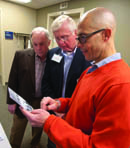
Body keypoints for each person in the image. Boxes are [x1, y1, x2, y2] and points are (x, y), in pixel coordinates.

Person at [20, 7, 130, 148]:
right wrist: (59, 104)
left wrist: (49, 122)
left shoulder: (120, 84)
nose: (78, 44)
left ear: (105, 35)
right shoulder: (92, 70)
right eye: (78, 38)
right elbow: (80, 103)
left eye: (83, 38)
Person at [41, 15, 91, 148]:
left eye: (65, 37)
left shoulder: (88, 56)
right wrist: (55, 106)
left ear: (75, 34)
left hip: (75, 115)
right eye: (57, 38)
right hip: (54, 110)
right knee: (52, 142)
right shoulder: (52, 54)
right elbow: (46, 82)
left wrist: (67, 110)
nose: (61, 42)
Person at [7, 27, 51, 148]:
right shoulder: (21, 55)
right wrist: (11, 101)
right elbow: (12, 79)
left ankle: (35, 144)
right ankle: (14, 145)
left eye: (41, 44)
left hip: (41, 101)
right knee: (17, 128)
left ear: (49, 42)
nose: (38, 48)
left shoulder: (53, 57)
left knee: (38, 128)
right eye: (35, 44)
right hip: (22, 99)